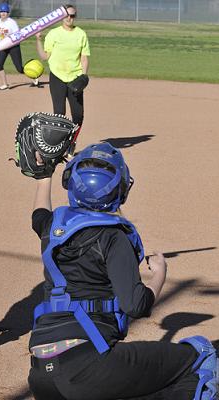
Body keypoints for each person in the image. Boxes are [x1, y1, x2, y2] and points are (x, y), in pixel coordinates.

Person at [25, 140, 217, 399]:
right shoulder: (114, 238)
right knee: (200, 355)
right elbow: (136, 305)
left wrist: (43, 175)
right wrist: (159, 274)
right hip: (87, 368)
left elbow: (39, 214)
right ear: (121, 189)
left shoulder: (53, 228)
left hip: (40, 375)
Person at [36, 4, 90, 148]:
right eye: (66, 15)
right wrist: (38, 40)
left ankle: (72, 141)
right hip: (57, 77)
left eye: (72, 15)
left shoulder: (81, 34)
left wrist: (83, 77)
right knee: (59, 113)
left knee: (78, 114)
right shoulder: (54, 33)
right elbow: (44, 56)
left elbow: (84, 57)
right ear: (61, 17)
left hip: (75, 78)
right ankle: (60, 143)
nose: (69, 18)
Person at [0, 2, 39, 90]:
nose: (3, 13)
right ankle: (4, 84)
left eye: (5, 11)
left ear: (8, 13)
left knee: (19, 68)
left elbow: (18, 35)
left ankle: (34, 77)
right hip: (2, 46)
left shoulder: (12, 23)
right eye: (1, 11)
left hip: (13, 46)